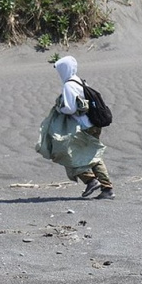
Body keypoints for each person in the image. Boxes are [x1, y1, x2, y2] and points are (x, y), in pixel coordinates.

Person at [53, 55, 115, 200]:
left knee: (68, 154)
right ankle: (105, 187)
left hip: (83, 127)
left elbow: (70, 108)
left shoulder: (69, 85)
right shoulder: (80, 81)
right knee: (92, 155)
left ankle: (92, 181)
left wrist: (58, 109)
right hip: (93, 124)